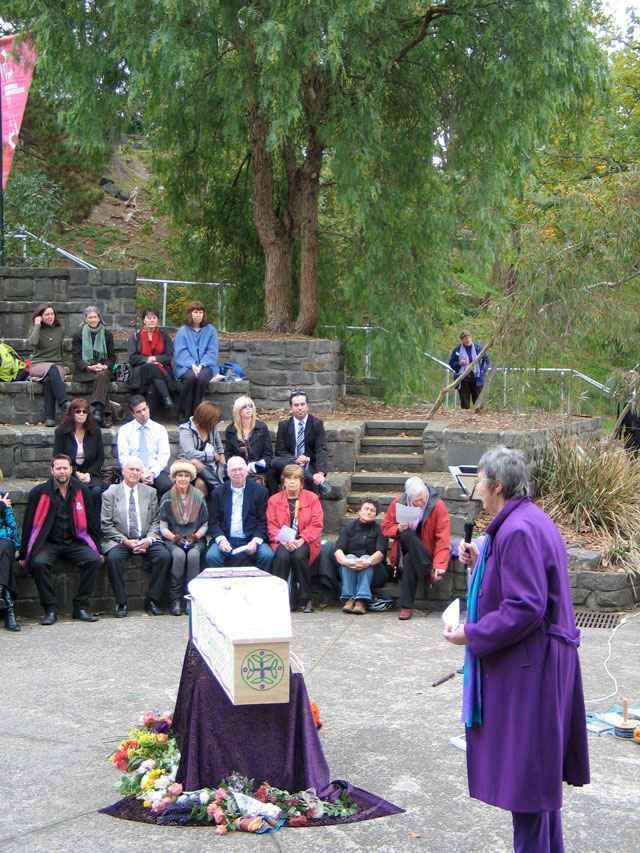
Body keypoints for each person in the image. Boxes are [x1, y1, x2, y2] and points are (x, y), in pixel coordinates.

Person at [444, 447, 589, 853]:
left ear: (498, 486)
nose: (476, 490)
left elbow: (525, 605)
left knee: (528, 781)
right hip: (541, 662)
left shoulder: (519, 530)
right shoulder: (524, 520)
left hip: (533, 668)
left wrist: (472, 633)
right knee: (537, 782)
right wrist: (482, 559)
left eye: (479, 482)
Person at [19, 454, 102, 625]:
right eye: (58, 468)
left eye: (65, 468)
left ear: (71, 469)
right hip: (49, 542)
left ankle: (80, 607)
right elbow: (28, 525)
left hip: (75, 540)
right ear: (52, 470)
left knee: (93, 560)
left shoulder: (82, 491)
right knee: (39, 563)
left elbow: (92, 522)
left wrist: (98, 550)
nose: (62, 472)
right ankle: (50, 609)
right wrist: (23, 553)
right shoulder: (38, 493)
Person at [101, 457, 171, 617]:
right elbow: (106, 524)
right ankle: (121, 603)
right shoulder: (110, 493)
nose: (134, 473)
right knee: (113, 559)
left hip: (145, 538)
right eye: (131, 469)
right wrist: (125, 541)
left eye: (137, 470)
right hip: (120, 539)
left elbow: (156, 520)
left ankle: (152, 600)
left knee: (164, 556)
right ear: (123, 471)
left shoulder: (150, 492)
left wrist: (149, 539)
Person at [381, 476, 450, 621]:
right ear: (408, 497)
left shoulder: (437, 505)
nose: (419, 503)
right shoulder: (399, 502)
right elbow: (386, 528)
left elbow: (443, 537)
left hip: (425, 549)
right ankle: (428, 570)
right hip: (404, 545)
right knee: (406, 535)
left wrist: (439, 564)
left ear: (426, 491)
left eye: (422, 499)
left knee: (410, 559)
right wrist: (398, 529)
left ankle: (406, 607)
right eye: (415, 501)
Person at [267, 463, 323, 613]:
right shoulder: (273, 500)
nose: (292, 481)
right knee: (282, 556)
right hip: (281, 540)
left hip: (305, 540)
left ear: (301, 481)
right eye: (288, 478)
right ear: (283, 481)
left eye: (296, 478)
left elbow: (316, 524)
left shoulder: (312, 498)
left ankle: (307, 598)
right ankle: (280, 597)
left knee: (299, 556)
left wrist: (301, 539)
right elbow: (271, 525)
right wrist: (283, 541)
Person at [205, 456, 274, 571]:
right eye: (233, 470)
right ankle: (219, 586)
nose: (237, 473)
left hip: (250, 538)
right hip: (227, 538)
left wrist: (255, 541)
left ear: (246, 470)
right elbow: (214, 522)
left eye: (241, 469)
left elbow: (263, 522)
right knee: (212, 556)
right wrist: (221, 540)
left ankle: (260, 585)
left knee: (267, 555)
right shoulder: (218, 492)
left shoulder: (261, 492)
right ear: (227, 472)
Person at [158, 459, 209, 616]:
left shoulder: (199, 496)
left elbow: (205, 524)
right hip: (174, 538)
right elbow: (163, 527)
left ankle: (190, 598)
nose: (183, 479)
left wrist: (195, 537)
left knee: (193, 555)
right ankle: (175, 598)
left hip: (194, 538)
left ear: (191, 478)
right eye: (180, 475)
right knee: (179, 555)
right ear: (174, 477)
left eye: (186, 476)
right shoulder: (167, 497)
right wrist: (176, 538)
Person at [333, 496, 388, 614]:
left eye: (372, 510)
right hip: (351, 569)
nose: (368, 512)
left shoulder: (380, 530)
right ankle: (350, 599)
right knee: (349, 557)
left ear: (376, 514)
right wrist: (346, 561)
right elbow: (338, 550)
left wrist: (367, 562)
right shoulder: (347, 529)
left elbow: (381, 553)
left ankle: (361, 600)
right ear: (359, 511)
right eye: (366, 509)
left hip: (375, 571)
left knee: (365, 558)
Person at [273, 390, 331, 495]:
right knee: (275, 462)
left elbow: (321, 449)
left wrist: (320, 473)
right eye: (296, 405)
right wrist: (295, 460)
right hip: (290, 464)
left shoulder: (317, 424)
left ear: (307, 405)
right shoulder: (284, 425)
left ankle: (311, 478)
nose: (300, 407)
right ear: (291, 407)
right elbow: (279, 451)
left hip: (309, 464)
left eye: (302, 404)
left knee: (304, 482)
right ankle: (311, 477)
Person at [53, 397, 105, 511]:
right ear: (72, 413)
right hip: (69, 472)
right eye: (78, 411)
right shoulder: (61, 431)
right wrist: (75, 472)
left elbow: (100, 457)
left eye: (84, 411)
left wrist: (89, 474)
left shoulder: (95, 431)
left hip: (90, 471)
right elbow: (57, 456)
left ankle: (94, 524)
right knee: (77, 490)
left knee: (96, 491)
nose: (81, 414)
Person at [174, 300, 221, 424]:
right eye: (195, 312)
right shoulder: (182, 331)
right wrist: (192, 365)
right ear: (190, 314)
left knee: (201, 378)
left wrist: (201, 365)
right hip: (187, 366)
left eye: (200, 312)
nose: (198, 315)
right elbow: (181, 352)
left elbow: (212, 352)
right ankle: (182, 411)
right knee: (190, 378)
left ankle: (195, 412)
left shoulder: (210, 330)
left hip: (206, 366)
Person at [116, 396, 172, 497]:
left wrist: (153, 473)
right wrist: (138, 474)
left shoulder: (160, 429)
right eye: (138, 411)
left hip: (154, 469)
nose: (143, 414)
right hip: (133, 470)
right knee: (129, 486)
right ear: (133, 414)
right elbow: (124, 457)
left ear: (148, 408)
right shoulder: (125, 430)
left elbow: (164, 455)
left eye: (144, 409)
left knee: (167, 486)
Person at [126, 307, 177, 416]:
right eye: (149, 318)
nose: (152, 320)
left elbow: (168, 357)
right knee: (152, 367)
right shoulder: (135, 337)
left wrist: (154, 359)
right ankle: (166, 397)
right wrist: (147, 360)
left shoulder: (164, 336)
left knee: (152, 386)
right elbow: (132, 358)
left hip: (162, 371)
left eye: (154, 318)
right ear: (144, 320)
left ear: (157, 320)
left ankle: (149, 418)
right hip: (140, 372)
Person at [71, 306, 116, 427]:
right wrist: (88, 367)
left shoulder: (107, 334)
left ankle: (97, 410)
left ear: (99, 318)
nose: (92, 320)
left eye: (95, 317)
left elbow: (112, 357)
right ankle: (102, 415)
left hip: (103, 370)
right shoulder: (78, 335)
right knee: (101, 379)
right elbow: (76, 358)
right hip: (85, 371)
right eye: (89, 317)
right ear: (85, 319)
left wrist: (105, 365)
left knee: (101, 376)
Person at [28, 303, 69, 427]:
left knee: (49, 379)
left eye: (52, 314)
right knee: (51, 369)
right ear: (40, 316)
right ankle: (63, 402)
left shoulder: (60, 330)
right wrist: (37, 325)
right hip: (38, 365)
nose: (50, 317)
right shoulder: (36, 329)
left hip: (57, 366)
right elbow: (32, 342)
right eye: (46, 315)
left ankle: (49, 418)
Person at [224, 395, 275, 491]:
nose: (248, 408)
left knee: (256, 483)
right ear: (238, 410)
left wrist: (255, 467)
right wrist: (240, 468)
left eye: (250, 406)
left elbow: (268, 454)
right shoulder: (231, 430)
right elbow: (229, 455)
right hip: (239, 470)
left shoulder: (261, 427)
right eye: (244, 406)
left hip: (260, 470)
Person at [179, 400, 226, 498]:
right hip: (190, 466)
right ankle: (220, 490)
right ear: (206, 419)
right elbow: (189, 454)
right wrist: (211, 456)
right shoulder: (186, 429)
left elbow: (219, 445)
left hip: (210, 468)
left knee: (201, 484)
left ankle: (211, 504)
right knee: (195, 461)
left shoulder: (212, 428)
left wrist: (222, 455)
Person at [0, 469, 21, 631]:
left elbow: (12, 529)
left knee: (6, 544)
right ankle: (8, 608)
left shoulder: (2, 497)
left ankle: (1, 593)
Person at [449, 329, 490, 409]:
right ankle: (465, 418)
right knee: (465, 402)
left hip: (476, 377)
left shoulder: (478, 348)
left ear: (471, 338)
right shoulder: (457, 350)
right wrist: (460, 363)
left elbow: (486, 360)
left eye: (469, 338)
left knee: (478, 400)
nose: (467, 340)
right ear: (462, 340)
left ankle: (478, 417)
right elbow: (452, 363)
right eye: (465, 338)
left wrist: (483, 369)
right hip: (463, 378)